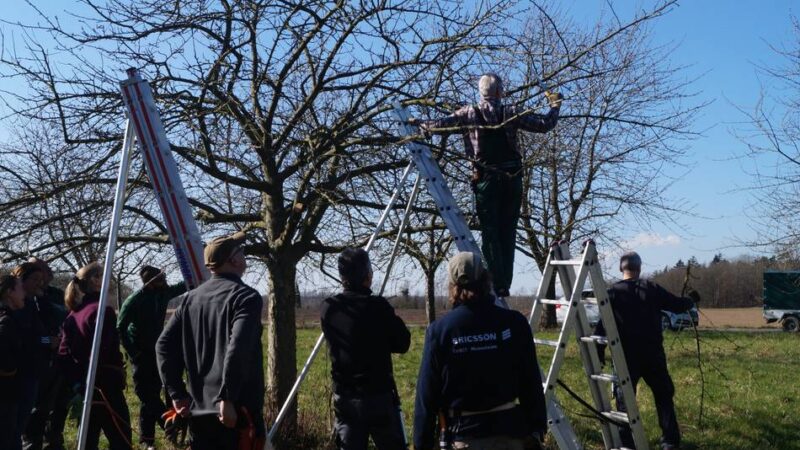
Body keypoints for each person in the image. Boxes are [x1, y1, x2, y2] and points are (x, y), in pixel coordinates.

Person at [414, 74, 562, 298]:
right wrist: (554, 106)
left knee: (490, 233)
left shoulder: (469, 113)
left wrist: (419, 124)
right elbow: (544, 124)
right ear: (499, 92)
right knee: (508, 233)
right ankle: (504, 284)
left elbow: (439, 125)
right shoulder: (511, 112)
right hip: (512, 179)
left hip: (486, 180)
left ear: (481, 93)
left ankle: (497, 283)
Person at [413, 251, 547, 450]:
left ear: (452, 286)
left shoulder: (440, 331)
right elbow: (531, 381)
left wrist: (422, 443)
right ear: (486, 279)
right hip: (511, 435)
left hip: (464, 436)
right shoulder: (515, 323)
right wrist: (537, 429)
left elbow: (427, 395)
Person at [157, 232, 264, 450]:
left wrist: (177, 394)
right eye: (241, 252)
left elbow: (163, 345)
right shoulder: (246, 297)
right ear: (233, 260)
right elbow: (238, 348)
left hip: (198, 410)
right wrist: (228, 398)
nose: (244, 255)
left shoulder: (189, 300)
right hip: (236, 413)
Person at [595, 251, 700, 450]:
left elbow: (602, 327)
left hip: (624, 356)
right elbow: (676, 305)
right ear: (640, 267)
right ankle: (669, 442)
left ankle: (627, 443)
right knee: (663, 396)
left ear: (621, 268)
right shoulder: (651, 288)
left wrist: (599, 352)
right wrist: (691, 300)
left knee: (624, 400)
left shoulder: (613, 293)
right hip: (653, 355)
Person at [320, 248, 411, 450]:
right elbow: (403, 343)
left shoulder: (329, 308)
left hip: (345, 397)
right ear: (367, 275)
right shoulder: (378, 307)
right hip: (379, 395)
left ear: (342, 276)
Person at [58, 262, 132, 450]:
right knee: (121, 439)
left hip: (84, 386)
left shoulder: (73, 314)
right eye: (103, 275)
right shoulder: (102, 310)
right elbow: (101, 352)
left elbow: (63, 353)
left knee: (88, 441)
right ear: (95, 280)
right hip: (105, 388)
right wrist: (94, 381)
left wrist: (77, 382)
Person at [117, 266, 186, 449]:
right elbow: (120, 327)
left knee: (151, 394)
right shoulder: (135, 300)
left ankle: (147, 441)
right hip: (140, 353)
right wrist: (133, 352)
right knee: (144, 394)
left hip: (157, 351)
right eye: (161, 278)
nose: (165, 281)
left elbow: (183, 286)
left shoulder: (163, 293)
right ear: (150, 281)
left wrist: (195, 270)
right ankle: (168, 422)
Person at [23, 258, 70, 450]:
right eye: (36, 274)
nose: (42, 276)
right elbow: (28, 337)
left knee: (58, 406)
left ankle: (53, 442)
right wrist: (46, 341)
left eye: (44, 271)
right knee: (36, 411)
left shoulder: (55, 295)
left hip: (59, 358)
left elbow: (65, 316)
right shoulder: (25, 301)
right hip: (34, 364)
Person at [9, 263, 50, 448]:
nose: (38, 284)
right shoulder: (18, 309)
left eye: (41, 280)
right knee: (14, 429)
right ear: (21, 281)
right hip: (20, 376)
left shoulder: (34, 304)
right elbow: (28, 339)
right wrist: (48, 341)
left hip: (32, 373)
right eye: (34, 280)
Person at [1, 274, 28, 450]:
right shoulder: (5, 322)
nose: (23, 294)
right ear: (10, 292)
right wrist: (14, 370)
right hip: (5, 395)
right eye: (20, 288)